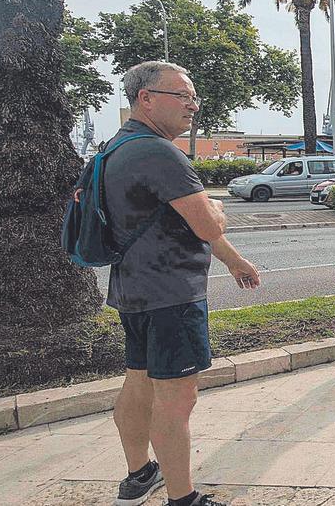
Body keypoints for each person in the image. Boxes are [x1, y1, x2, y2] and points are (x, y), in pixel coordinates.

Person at [104, 61, 260, 506]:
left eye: (193, 97)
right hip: (171, 292)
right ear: (146, 99)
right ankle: (183, 498)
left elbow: (170, 221)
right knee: (176, 397)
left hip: (133, 288)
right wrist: (216, 210)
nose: (192, 105)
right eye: (182, 96)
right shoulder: (159, 152)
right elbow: (207, 223)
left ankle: (139, 475)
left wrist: (232, 261)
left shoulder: (117, 146)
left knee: (138, 382)